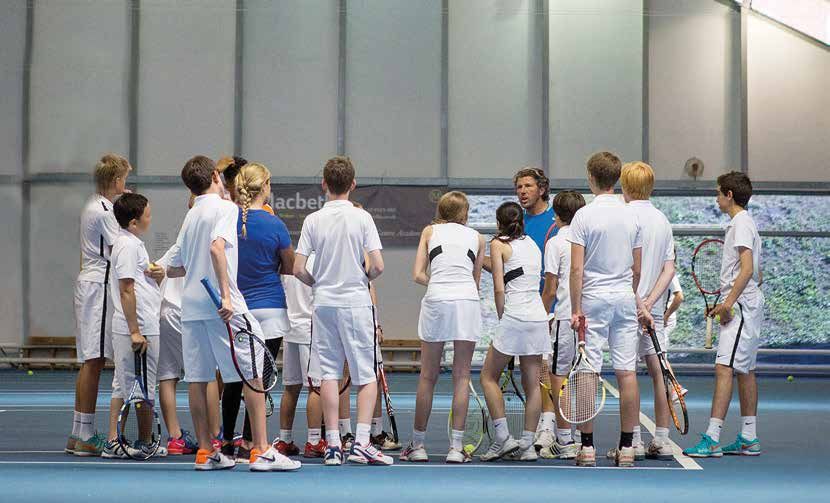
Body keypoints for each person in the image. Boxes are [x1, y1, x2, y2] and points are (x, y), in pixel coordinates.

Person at [165, 155, 299, 472]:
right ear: (215, 176)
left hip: (191, 307)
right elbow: (216, 248)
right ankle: (261, 450)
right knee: (253, 373)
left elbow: (172, 267)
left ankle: (206, 452)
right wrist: (225, 295)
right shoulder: (226, 209)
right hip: (223, 306)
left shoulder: (191, 214)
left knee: (198, 379)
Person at [293, 156, 391, 466]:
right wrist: (363, 277)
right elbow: (378, 266)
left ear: (324, 184)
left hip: (324, 305)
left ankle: (333, 445)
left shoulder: (312, 220)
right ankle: (361, 442)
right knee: (366, 375)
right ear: (353, 184)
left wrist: (318, 283)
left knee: (328, 374)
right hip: (355, 304)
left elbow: (298, 268)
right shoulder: (362, 218)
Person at [568, 151, 652, 467]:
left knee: (587, 371)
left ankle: (587, 448)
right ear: (617, 179)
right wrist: (631, 294)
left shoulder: (583, 216)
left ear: (591, 177)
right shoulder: (632, 216)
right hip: (624, 298)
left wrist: (575, 308)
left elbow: (576, 269)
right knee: (627, 372)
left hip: (593, 299)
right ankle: (627, 448)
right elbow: (637, 269)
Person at [399, 191, 485, 463]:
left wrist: (439, 282)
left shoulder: (429, 231)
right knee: (462, 376)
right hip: (467, 300)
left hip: (437, 299)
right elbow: (475, 280)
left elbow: (417, 274)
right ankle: (456, 449)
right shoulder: (478, 237)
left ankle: (418, 445)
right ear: (465, 213)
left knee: (427, 375)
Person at [684, 172, 764, 458]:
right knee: (745, 370)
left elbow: (747, 269)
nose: (716, 197)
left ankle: (712, 438)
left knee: (724, 368)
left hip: (741, 306)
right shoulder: (747, 223)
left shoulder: (740, 224)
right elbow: (758, 274)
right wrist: (728, 302)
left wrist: (728, 304)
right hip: (748, 303)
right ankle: (749, 437)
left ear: (729, 195)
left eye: (718, 192)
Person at [221, 162, 294, 464]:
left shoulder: (227, 220)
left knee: (233, 379)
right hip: (270, 309)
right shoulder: (275, 225)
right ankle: (251, 442)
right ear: (264, 187)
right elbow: (289, 266)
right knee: (261, 379)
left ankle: (227, 442)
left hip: (238, 308)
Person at [68, 154, 132, 457]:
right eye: (124, 179)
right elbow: (121, 246)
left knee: (90, 360)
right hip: (99, 286)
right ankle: (84, 434)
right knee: (94, 360)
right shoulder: (105, 211)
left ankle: (79, 430)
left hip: (92, 283)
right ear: (116, 180)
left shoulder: (96, 204)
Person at [479, 202, 549, 462]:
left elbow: (499, 287)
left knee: (488, 377)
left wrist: (502, 316)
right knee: (532, 385)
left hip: (515, 316)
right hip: (537, 318)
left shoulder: (498, 244)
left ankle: (503, 438)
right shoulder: (532, 245)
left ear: (499, 223)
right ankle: (528, 446)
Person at [617, 161, 677, 461]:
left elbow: (625, 266)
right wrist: (651, 303)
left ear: (625, 186)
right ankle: (662, 439)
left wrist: (640, 303)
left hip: (627, 310)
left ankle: (635, 441)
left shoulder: (622, 217)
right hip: (651, 311)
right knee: (659, 373)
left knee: (628, 374)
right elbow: (669, 268)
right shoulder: (662, 220)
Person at [105, 193, 166, 458]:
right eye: (147, 215)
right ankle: (129, 441)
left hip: (141, 323)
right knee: (139, 387)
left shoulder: (130, 244)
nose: (151, 219)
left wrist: (156, 274)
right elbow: (126, 289)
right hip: (138, 326)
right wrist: (134, 331)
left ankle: (127, 440)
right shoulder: (128, 246)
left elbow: (136, 282)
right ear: (133, 222)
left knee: (127, 386)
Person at [538, 190, 585, 460]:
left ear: (556, 215)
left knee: (558, 376)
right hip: (590, 318)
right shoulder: (590, 240)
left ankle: (565, 439)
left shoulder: (555, 243)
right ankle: (584, 440)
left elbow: (550, 289)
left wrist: (541, 317)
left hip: (567, 317)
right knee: (584, 376)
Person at [278, 251, 327, 458]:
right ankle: (314, 441)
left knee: (291, 387)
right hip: (310, 329)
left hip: (290, 328)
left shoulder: (290, 261)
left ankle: (285, 439)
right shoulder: (320, 261)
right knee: (316, 388)